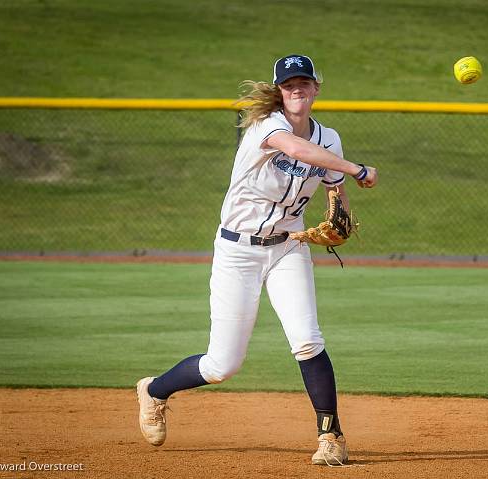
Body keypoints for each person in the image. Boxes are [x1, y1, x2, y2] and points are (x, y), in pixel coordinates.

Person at [136, 54, 378, 466]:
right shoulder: (268, 126)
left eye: (304, 82)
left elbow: (333, 186)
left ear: (317, 87)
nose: (297, 89)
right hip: (237, 251)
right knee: (222, 364)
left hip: (288, 248)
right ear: (279, 92)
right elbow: (298, 149)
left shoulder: (331, 138)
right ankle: (155, 390)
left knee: (307, 339)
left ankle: (331, 437)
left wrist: (338, 210)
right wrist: (356, 168)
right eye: (288, 85)